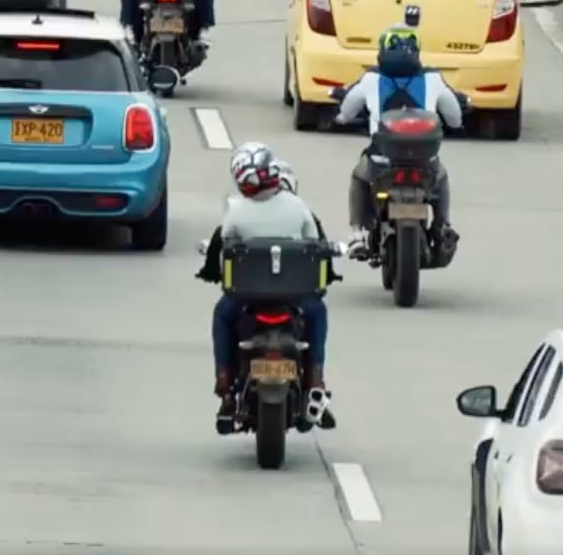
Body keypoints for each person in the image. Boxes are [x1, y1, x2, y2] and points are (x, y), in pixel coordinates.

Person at [194, 143, 331, 422]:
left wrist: (210, 270)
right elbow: (318, 244)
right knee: (318, 313)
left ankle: (224, 379)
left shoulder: (236, 212)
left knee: (222, 316)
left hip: (246, 298)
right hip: (296, 296)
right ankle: (315, 378)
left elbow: (221, 247)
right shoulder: (297, 206)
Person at [336, 27, 464, 256]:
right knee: (441, 177)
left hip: (382, 160)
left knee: (359, 176)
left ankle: (357, 234)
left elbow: (346, 112)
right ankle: (443, 224)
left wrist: (342, 116)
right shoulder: (433, 80)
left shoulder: (370, 79)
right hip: (425, 160)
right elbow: (455, 119)